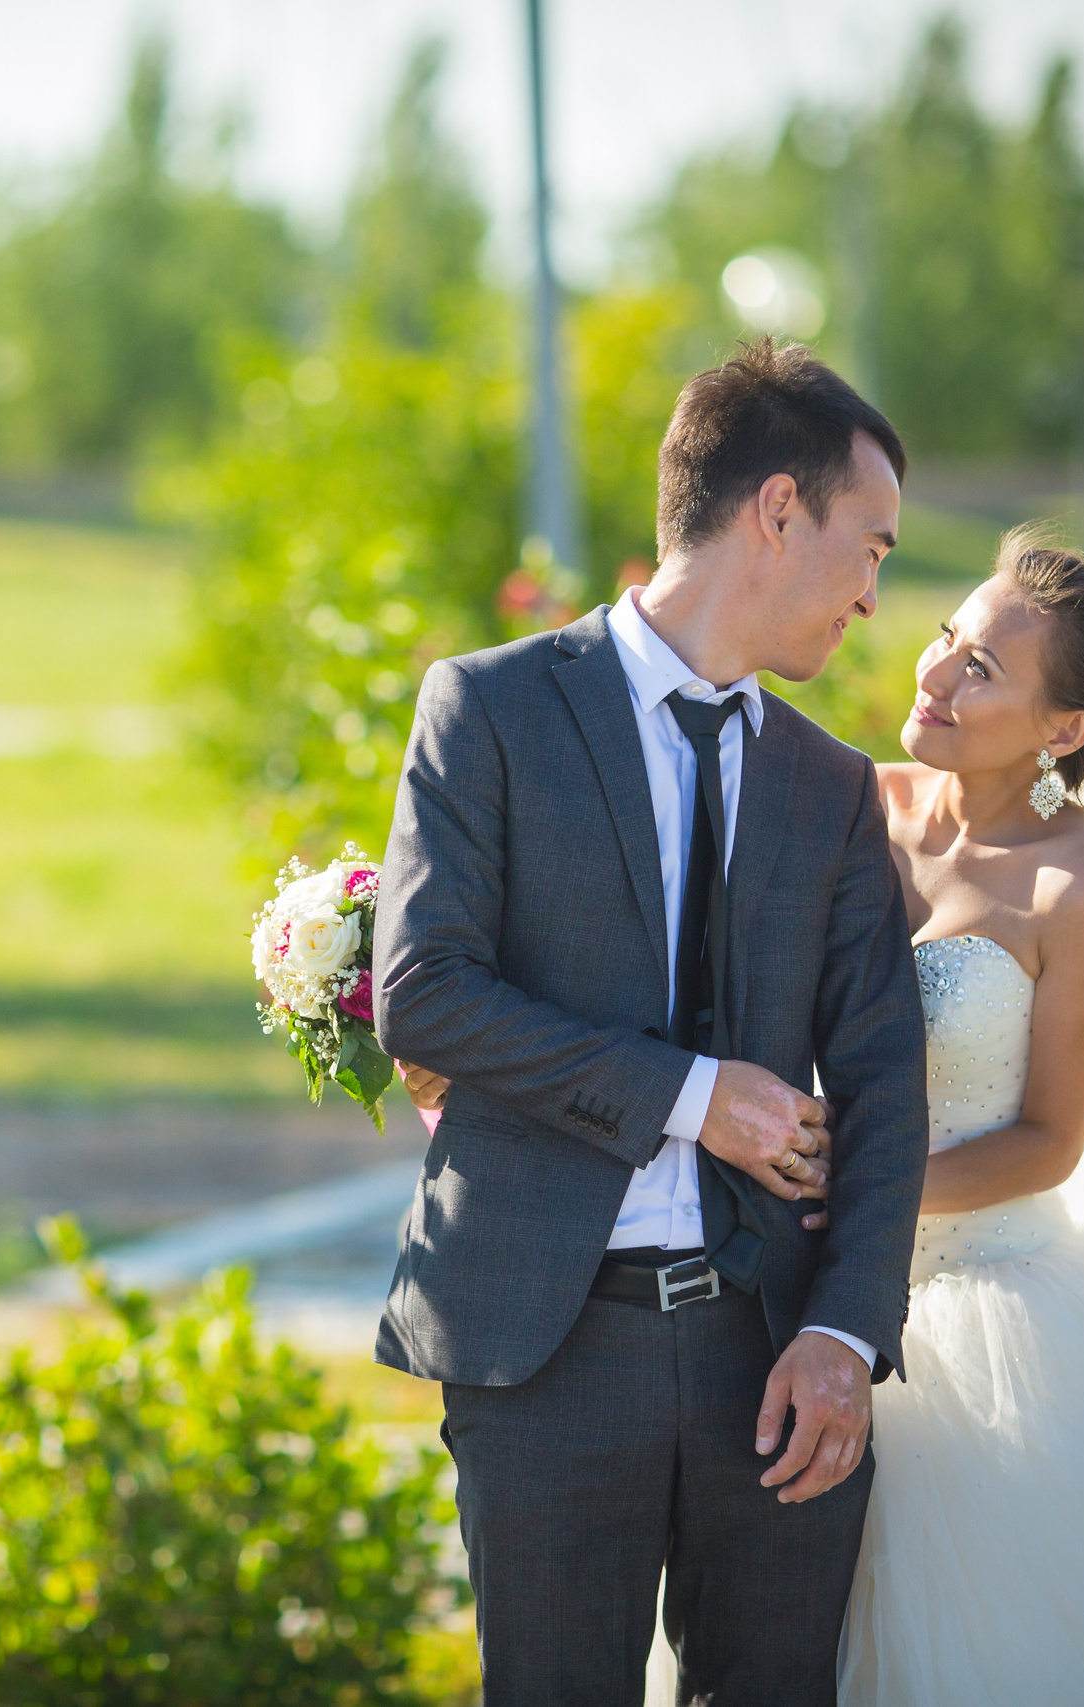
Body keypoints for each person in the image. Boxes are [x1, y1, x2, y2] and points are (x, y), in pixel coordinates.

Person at [401, 525, 1084, 1704]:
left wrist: (857, 1186)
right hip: (764, 1284)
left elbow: (1049, 1142)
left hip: (981, 1312)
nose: (931, 671)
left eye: (980, 667)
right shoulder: (833, 798)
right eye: (946, 637)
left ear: (1065, 730)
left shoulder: (1076, 891)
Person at [370, 338, 930, 1706]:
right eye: (872, 546)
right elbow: (421, 989)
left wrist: (847, 1338)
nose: (872, 598)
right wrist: (693, 1094)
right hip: (544, 1353)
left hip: (776, 1359)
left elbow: (883, 1083)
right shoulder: (490, 707)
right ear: (777, 507)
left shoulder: (834, 787)